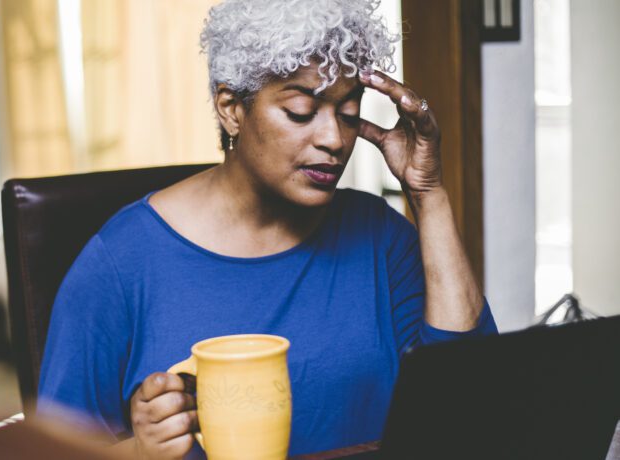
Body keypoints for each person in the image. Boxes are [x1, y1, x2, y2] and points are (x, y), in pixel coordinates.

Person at [37, 0, 498, 458]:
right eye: (300, 111)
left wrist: (429, 193)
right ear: (232, 109)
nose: (334, 139)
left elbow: (472, 403)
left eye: (350, 112)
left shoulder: (379, 236)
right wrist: (140, 453)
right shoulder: (121, 263)